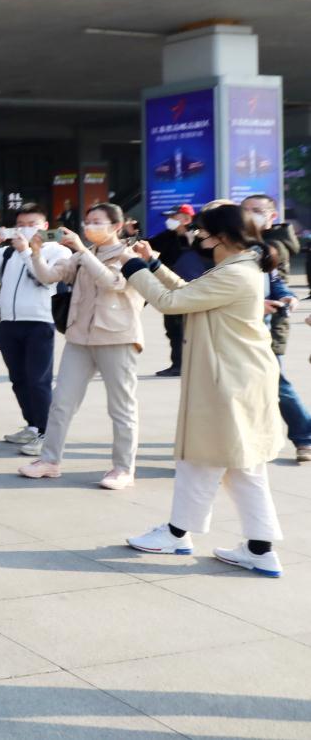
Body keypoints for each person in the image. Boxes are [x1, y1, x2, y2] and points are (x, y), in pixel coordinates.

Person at [123, 202, 288, 576]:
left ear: (223, 235)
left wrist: (132, 268)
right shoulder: (239, 266)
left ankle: (178, 533)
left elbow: (172, 302)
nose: (197, 235)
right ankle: (259, 548)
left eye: (202, 229)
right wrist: (152, 265)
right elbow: (191, 293)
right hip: (236, 376)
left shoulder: (236, 272)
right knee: (242, 465)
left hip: (228, 379)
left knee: (201, 458)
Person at [18, 203, 145, 488]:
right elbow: (48, 276)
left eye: (97, 222)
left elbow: (113, 282)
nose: (90, 227)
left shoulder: (131, 254)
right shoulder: (82, 254)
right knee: (61, 402)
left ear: (116, 226)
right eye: (88, 221)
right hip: (79, 336)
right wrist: (35, 254)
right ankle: (49, 460)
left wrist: (83, 251)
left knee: (121, 407)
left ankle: (123, 468)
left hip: (117, 337)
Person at [0, 204, 71, 454]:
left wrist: (28, 252)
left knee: (38, 380)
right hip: (8, 322)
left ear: (45, 226)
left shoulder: (57, 250)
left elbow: (45, 278)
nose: (26, 229)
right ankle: (32, 425)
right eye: (21, 225)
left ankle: (47, 434)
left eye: (32, 224)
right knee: (18, 379)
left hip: (40, 322)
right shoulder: (10, 253)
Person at [242, 194, 311, 464]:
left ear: (272, 215)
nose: (250, 215)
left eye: (257, 211)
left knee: (276, 383)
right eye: (245, 210)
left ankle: (304, 436)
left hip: (270, 326)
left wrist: (284, 297)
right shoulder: (241, 244)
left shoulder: (272, 245)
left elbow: (274, 283)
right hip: (241, 326)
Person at [147, 204, 199, 377]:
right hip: (170, 288)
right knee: (173, 328)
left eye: (173, 217)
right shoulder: (167, 236)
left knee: (195, 330)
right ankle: (178, 364)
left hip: (195, 289)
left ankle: (195, 365)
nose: (169, 221)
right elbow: (148, 245)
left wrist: (193, 243)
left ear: (186, 219)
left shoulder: (200, 237)